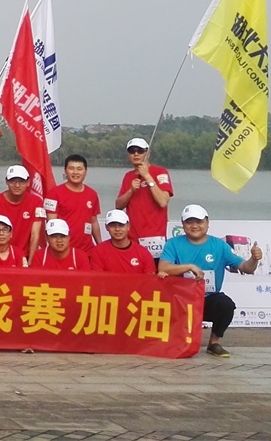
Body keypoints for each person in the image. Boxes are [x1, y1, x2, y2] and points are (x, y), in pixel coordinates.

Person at [158, 204, 262, 358]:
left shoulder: (219, 246)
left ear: (207, 223)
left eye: (199, 222)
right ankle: (173, 340)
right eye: (189, 222)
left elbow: (246, 268)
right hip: (180, 299)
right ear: (182, 224)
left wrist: (254, 259)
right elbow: (163, 267)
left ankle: (214, 343)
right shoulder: (173, 244)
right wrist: (188, 267)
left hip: (208, 299)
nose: (194, 226)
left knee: (226, 305)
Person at [115, 138, 174, 257]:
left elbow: (163, 201)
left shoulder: (160, 172)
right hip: (132, 238)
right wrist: (131, 191)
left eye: (140, 150)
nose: (136, 154)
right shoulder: (128, 176)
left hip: (155, 239)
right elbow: (118, 205)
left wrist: (147, 176)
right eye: (132, 151)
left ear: (148, 154)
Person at [0, 166, 46, 260]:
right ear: (6, 181)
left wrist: (30, 262)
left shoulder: (36, 202)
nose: (17, 185)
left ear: (28, 182)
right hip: (1, 256)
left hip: (25, 257)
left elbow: (35, 235)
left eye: (21, 181)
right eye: (13, 181)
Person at [47, 154, 102, 256]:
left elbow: (93, 221)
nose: (75, 172)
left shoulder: (92, 194)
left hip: (87, 251)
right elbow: (51, 223)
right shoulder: (54, 194)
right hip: (64, 252)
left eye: (79, 169)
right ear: (65, 171)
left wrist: (100, 245)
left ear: (86, 172)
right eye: (71, 168)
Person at [89, 210, 155, 275]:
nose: (117, 229)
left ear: (128, 226)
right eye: (113, 225)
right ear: (106, 227)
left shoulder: (143, 252)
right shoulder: (98, 251)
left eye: (121, 225)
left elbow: (150, 279)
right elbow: (98, 278)